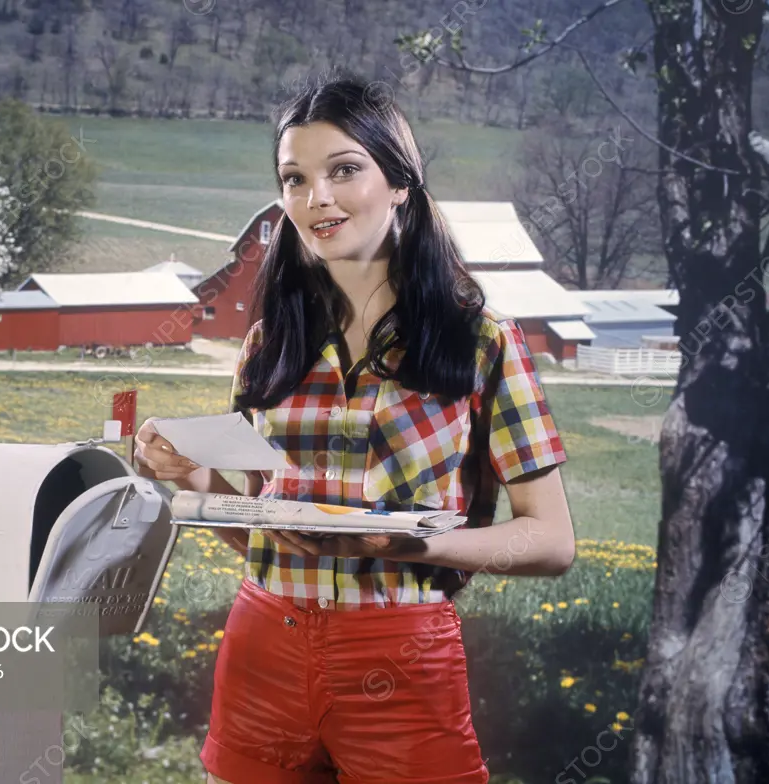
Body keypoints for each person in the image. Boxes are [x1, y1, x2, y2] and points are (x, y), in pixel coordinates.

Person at [134, 75, 575, 784]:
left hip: (402, 658)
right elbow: (262, 533)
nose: (318, 199)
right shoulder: (268, 345)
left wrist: (415, 543)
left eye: (344, 170)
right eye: (295, 178)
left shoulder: (480, 342)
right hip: (261, 648)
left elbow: (551, 541)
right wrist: (193, 479)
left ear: (400, 183)